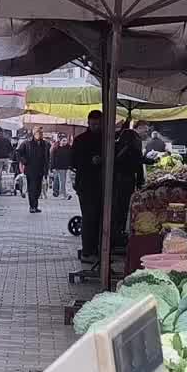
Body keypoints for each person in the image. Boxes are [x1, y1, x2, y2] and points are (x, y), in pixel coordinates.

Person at [71, 111, 107, 262]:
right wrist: (90, 161)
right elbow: (73, 162)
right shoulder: (80, 140)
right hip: (86, 185)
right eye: (93, 124)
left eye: (98, 124)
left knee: (101, 218)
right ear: (88, 123)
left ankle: (98, 249)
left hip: (104, 184)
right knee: (89, 217)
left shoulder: (107, 139)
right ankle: (88, 251)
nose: (95, 127)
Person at [19, 129, 51, 213]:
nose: (40, 135)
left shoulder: (45, 144)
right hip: (31, 169)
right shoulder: (27, 143)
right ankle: (32, 206)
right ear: (34, 134)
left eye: (41, 133)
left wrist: (47, 169)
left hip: (40, 169)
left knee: (38, 189)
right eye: (38, 133)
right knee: (32, 188)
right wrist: (24, 161)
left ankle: (35, 206)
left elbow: (47, 157)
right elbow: (19, 153)